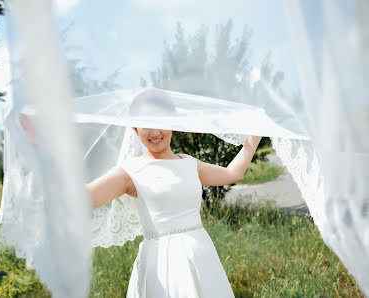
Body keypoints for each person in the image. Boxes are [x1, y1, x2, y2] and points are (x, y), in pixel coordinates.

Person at [19, 104, 262, 297]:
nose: (155, 132)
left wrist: (255, 136)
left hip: (201, 253)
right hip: (163, 263)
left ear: (173, 123)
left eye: (160, 122)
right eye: (146, 124)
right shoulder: (131, 170)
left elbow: (232, 173)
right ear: (134, 128)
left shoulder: (189, 163)